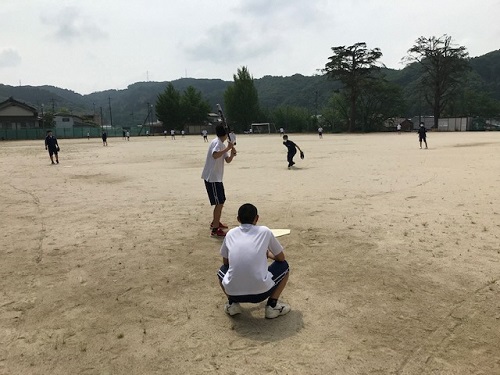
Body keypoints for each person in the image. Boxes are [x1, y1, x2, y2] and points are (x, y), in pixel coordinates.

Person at [217, 203, 291, 319]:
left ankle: (232, 304)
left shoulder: (230, 233)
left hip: (234, 293)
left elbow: (226, 263)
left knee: (221, 271)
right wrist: (267, 254)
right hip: (260, 294)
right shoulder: (265, 231)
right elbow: (281, 258)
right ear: (257, 218)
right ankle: (272, 305)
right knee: (284, 266)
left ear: (238, 219)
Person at [201, 124, 236, 237]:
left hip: (217, 178)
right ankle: (215, 229)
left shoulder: (221, 144)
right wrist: (228, 148)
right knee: (219, 202)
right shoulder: (217, 143)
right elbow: (215, 155)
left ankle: (216, 221)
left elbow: (227, 160)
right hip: (212, 178)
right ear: (225, 134)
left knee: (222, 200)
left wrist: (231, 154)